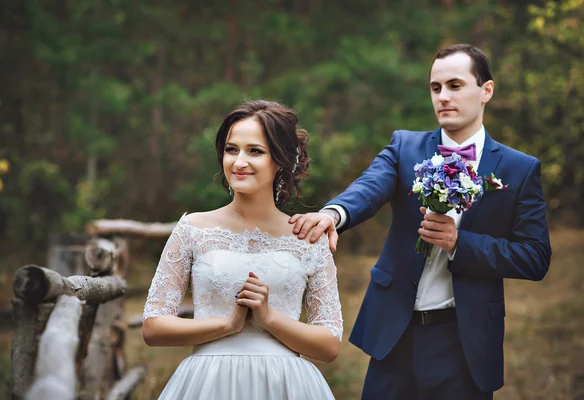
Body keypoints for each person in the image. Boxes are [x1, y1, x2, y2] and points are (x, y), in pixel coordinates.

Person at [289, 44, 552, 399]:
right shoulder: (405, 147)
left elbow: (535, 256)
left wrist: (461, 243)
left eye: (455, 85)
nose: (443, 96)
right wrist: (334, 214)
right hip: (395, 333)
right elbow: (369, 188)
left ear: (486, 90)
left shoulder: (519, 169)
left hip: (465, 341)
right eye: (435, 87)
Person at [142, 100, 343, 400]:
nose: (239, 162)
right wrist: (226, 325)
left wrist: (269, 318)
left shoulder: (307, 236)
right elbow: (153, 327)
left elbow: (329, 344)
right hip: (207, 385)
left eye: (255, 151)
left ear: (281, 160)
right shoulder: (193, 229)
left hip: (286, 387)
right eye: (231, 149)